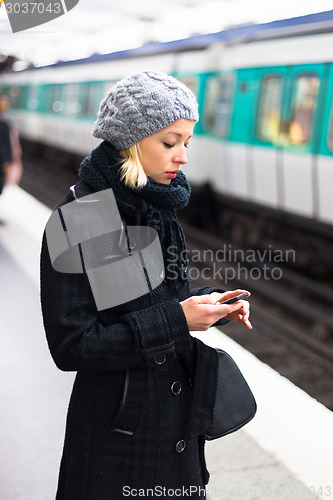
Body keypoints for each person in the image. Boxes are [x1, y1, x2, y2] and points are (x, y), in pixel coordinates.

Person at [40, 71, 252, 500]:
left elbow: (156, 301)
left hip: (175, 428)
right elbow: (73, 344)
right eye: (170, 143)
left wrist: (209, 304)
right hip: (118, 439)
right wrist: (178, 319)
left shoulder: (155, 205)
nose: (183, 157)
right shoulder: (82, 218)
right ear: (131, 141)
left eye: (187, 143)